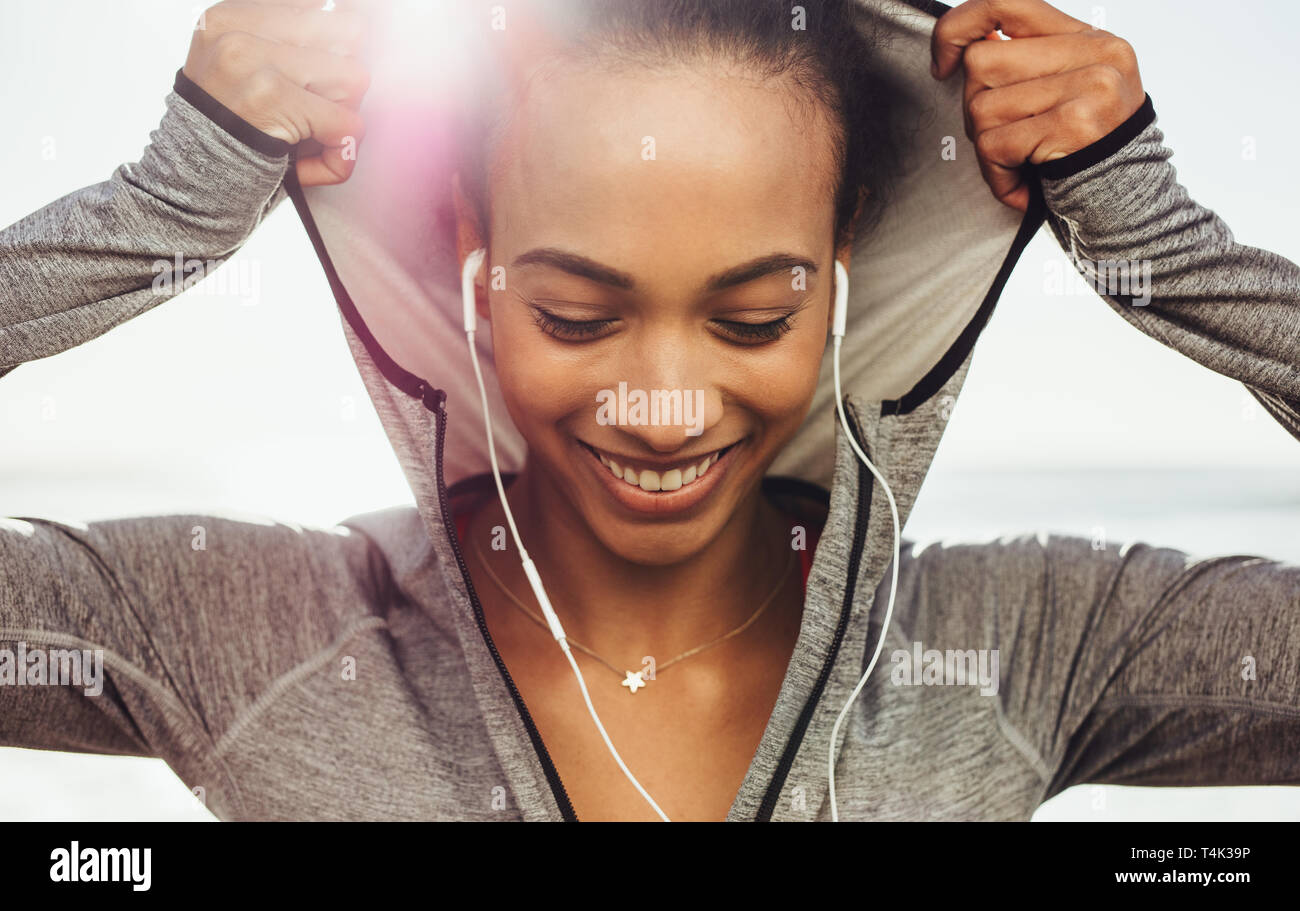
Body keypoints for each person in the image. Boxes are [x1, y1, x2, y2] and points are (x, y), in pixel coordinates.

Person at [1, 0, 1297, 822]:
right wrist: (153, 220)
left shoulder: (1026, 649)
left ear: (839, 278)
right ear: (476, 270)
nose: (666, 406)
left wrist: (1169, 256)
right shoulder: (244, 635)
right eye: (576, 313)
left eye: (752, 316)